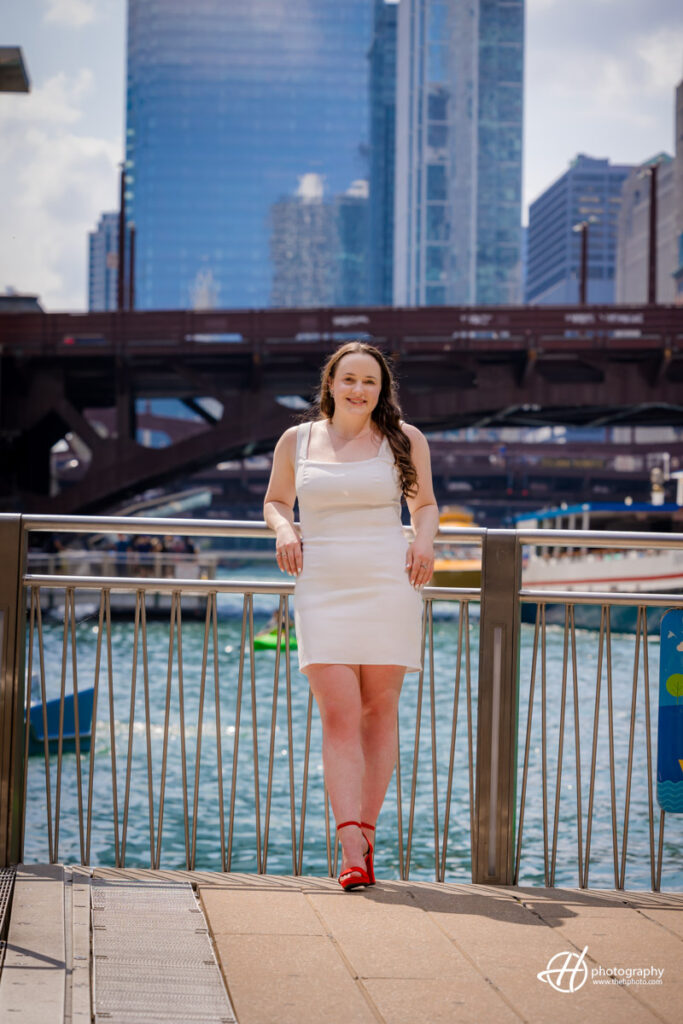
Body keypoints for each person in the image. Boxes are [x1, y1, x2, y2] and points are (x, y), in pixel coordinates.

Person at [263, 341, 438, 890]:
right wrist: (286, 528)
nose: (359, 390)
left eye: (371, 381)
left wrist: (425, 543)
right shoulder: (298, 440)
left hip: (390, 583)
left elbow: (425, 504)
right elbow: (274, 500)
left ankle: (366, 830)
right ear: (330, 384)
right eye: (350, 380)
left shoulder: (404, 439)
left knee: (379, 710)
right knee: (339, 714)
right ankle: (350, 846)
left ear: (381, 389)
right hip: (323, 587)